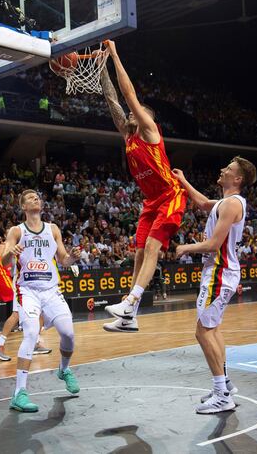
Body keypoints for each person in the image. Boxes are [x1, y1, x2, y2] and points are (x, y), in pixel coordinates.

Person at [100, 40, 187, 332]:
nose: (131, 113)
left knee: (152, 247)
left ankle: (132, 299)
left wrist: (114, 54)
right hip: (151, 201)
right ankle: (130, 314)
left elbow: (127, 94)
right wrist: (101, 69)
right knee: (138, 251)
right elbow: (114, 100)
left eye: (138, 111)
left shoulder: (150, 131)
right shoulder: (127, 136)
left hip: (171, 195)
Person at [174, 156, 257, 414]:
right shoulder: (226, 202)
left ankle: (221, 395)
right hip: (222, 272)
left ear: (238, 179)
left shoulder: (232, 204)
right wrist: (184, 181)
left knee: (203, 332)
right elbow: (201, 203)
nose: (222, 170)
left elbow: (212, 245)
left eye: (229, 169)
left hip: (219, 273)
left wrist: (185, 247)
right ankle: (226, 385)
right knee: (213, 329)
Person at [2, 189, 81, 412]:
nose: (36, 199)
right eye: (30, 198)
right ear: (23, 207)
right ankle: (19, 394)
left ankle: (64, 369)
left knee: (68, 334)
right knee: (30, 334)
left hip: (50, 289)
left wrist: (72, 258)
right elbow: (4, 260)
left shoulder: (52, 229)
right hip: (27, 290)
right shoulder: (17, 231)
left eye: (37, 197)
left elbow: (63, 259)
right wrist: (12, 252)